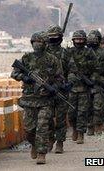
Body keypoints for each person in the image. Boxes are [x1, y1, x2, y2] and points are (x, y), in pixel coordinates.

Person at [11, 31, 62, 164]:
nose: (37, 44)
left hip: (45, 100)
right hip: (29, 99)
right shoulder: (27, 58)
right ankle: (34, 144)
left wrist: (53, 88)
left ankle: (41, 153)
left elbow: (59, 78)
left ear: (45, 44)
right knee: (29, 129)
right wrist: (24, 77)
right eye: (35, 42)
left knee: (42, 126)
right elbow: (14, 73)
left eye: (40, 42)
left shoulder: (52, 59)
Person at [67, 30, 97, 143]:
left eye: (81, 39)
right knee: (71, 113)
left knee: (82, 112)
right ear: (73, 40)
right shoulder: (68, 52)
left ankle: (80, 133)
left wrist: (91, 81)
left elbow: (96, 69)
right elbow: (63, 69)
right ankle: (74, 128)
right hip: (71, 88)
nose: (78, 41)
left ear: (84, 41)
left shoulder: (89, 53)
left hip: (84, 88)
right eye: (76, 39)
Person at [45, 25, 71, 153]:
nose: (53, 40)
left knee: (61, 118)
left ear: (60, 38)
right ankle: (50, 139)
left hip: (61, 89)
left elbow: (73, 70)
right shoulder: (43, 53)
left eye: (56, 37)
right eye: (51, 38)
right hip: (47, 90)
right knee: (47, 117)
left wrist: (68, 83)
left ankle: (60, 142)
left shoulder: (65, 53)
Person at [86, 30, 104, 135]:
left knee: (98, 107)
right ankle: (90, 126)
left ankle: (98, 124)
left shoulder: (102, 55)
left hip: (98, 85)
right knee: (87, 107)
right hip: (85, 85)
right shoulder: (84, 53)